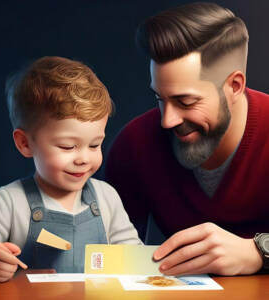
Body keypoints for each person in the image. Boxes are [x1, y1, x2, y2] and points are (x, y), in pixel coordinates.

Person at [105, 2, 269, 276]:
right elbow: (104, 251)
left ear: (234, 86)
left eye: (186, 101)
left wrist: (258, 251)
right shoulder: (134, 146)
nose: (167, 120)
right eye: (160, 99)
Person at [0, 56, 141, 282]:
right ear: (25, 143)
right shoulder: (9, 202)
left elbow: (134, 258)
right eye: (68, 146)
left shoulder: (106, 198)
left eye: (94, 145)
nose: (83, 158)